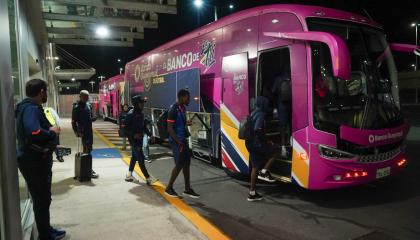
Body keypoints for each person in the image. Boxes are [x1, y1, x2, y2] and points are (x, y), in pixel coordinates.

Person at [16, 79, 66, 240]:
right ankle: (45, 235)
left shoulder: (28, 107)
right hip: (34, 162)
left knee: (43, 199)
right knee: (41, 199)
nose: (46, 95)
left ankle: (47, 230)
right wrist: (52, 132)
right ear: (41, 92)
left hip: (35, 160)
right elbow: (34, 132)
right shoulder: (31, 109)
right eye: (45, 91)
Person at [164, 89, 200, 198]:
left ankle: (187, 189)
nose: (189, 100)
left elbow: (180, 123)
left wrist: (186, 123)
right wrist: (178, 141)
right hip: (176, 141)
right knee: (179, 164)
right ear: (182, 97)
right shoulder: (173, 109)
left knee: (187, 163)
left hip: (182, 139)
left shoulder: (182, 108)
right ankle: (168, 188)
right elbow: (169, 128)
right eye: (188, 98)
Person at [245, 96, 279, 201]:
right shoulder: (261, 114)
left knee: (255, 167)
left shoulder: (253, 112)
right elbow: (258, 129)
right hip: (257, 144)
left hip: (249, 143)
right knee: (275, 151)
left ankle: (252, 193)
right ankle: (264, 171)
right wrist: (267, 140)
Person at [124, 95, 156, 184]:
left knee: (134, 157)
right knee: (141, 159)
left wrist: (150, 135)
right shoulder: (130, 114)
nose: (143, 105)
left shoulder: (141, 114)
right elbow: (124, 129)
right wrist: (133, 135)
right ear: (136, 104)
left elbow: (144, 127)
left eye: (143, 103)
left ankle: (129, 175)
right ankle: (148, 178)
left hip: (140, 140)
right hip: (134, 141)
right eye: (141, 103)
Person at [71, 90, 98, 179]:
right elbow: (73, 122)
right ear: (80, 96)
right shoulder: (76, 107)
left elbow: (90, 117)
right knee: (87, 149)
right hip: (82, 132)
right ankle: (88, 170)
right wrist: (76, 132)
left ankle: (87, 168)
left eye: (87, 97)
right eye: (85, 97)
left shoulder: (88, 105)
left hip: (89, 131)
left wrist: (93, 118)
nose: (86, 98)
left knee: (89, 149)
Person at [271, 69, 292, 157]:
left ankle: (283, 143)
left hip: (282, 104)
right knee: (291, 123)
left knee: (282, 125)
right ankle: (289, 140)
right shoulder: (293, 77)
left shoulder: (278, 79)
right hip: (293, 104)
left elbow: (273, 91)